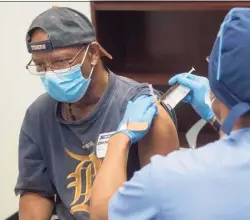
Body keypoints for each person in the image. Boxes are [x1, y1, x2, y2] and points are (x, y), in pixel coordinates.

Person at [89, 8, 250, 220]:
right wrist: (219, 117)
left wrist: (120, 138)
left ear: (216, 80)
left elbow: (103, 214)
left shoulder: (168, 178)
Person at [14, 6, 180, 220]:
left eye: (61, 62)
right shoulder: (39, 115)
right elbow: (35, 191)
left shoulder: (143, 109)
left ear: (93, 53)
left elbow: (164, 203)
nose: (51, 74)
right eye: (40, 66)